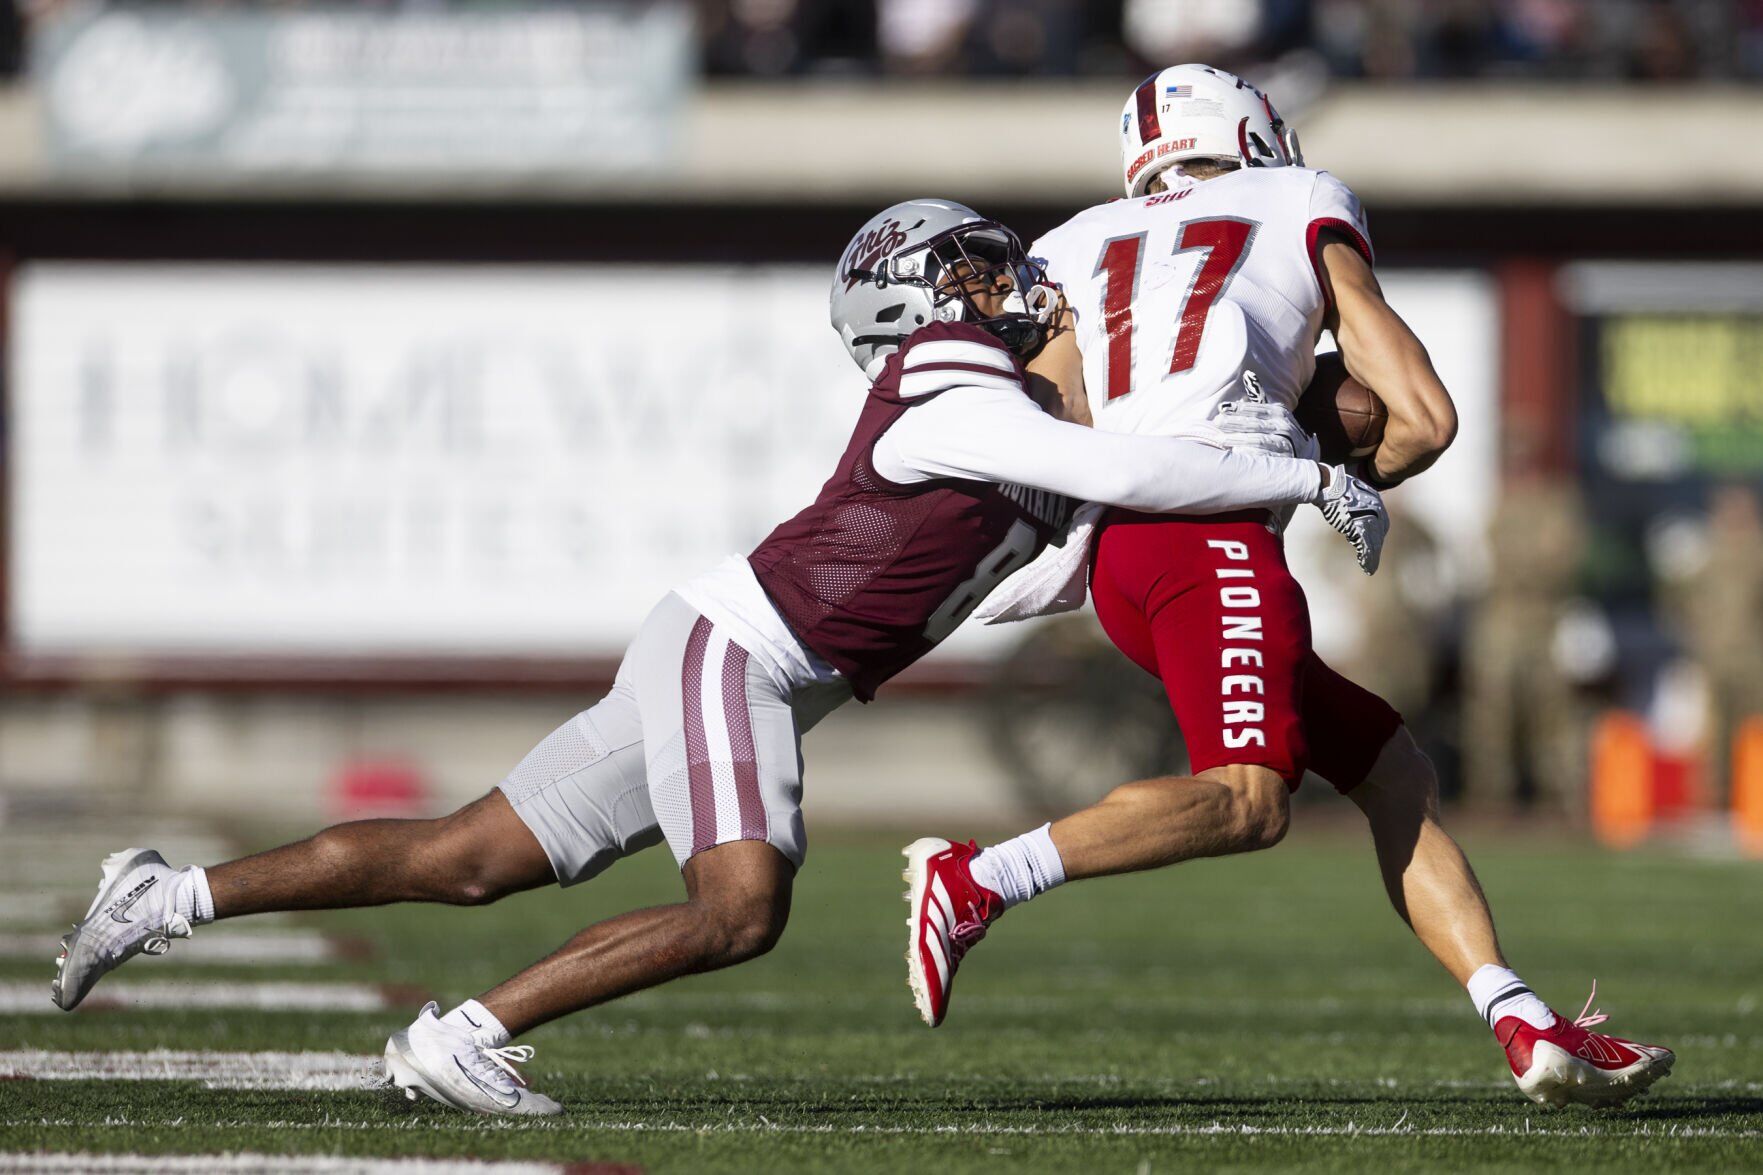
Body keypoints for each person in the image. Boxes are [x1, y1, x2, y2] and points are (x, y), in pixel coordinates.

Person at [52, 199, 1382, 1117]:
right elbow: (1110, 465)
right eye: (974, 268)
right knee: (740, 906)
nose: (1006, 278)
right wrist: (1298, 469)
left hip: (723, 651)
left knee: (467, 855)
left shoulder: (1002, 411)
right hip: (734, 654)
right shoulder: (945, 380)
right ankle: (460, 1035)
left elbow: (1035, 550)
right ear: (923, 298)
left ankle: (163, 895)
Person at [903, 63, 1673, 1110]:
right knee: (1249, 799)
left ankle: (1521, 1020)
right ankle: (980, 878)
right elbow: (1423, 418)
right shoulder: (1300, 197)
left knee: (1389, 766)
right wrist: (1356, 458)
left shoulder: (1070, 241)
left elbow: (1056, 422)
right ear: (1254, 133)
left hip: (1126, 557)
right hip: (1210, 541)